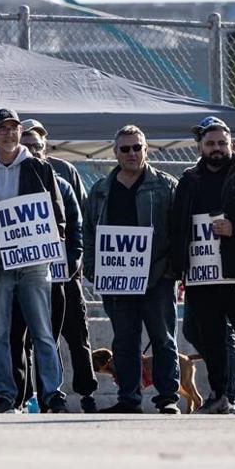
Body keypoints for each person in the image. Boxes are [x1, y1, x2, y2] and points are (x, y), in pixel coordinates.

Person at [170, 116, 235, 415]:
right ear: (200, 146)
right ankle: (219, 394)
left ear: (233, 145)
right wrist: (180, 271)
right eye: (211, 143)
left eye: (222, 143)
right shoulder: (188, 180)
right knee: (211, 338)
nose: (217, 148)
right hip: (200, 273)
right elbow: (178, 227)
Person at [0, 108, 67, 414]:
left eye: (14, 128)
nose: (9, 133)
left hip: (33, 262)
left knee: (42, 331)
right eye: (3, 128)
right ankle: (4, 395)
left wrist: (48, 241)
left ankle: (52, 393)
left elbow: (58, 216)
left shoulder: (39, 168)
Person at [83, 125, 181, 414]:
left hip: (157, 277)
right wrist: (92, 268)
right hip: (116, 279)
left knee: (163, 339)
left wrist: (171, 270)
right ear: (115, 153)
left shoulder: (165, 186)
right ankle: (129, 398)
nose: (131, 153)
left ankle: (168, 398)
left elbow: (178, 231)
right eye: (125, 149)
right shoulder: (101, 189)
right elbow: (89, 232)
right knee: (124, 341)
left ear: (146, 149)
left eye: (137, 147)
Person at [15, 125, 96, 412]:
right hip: (26, 276)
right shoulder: (10, 181)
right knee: (29, 337)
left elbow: (78, 227)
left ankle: (87, 394)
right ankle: (29, 397)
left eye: (36, 145)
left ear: (45, 148)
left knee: (76, 336)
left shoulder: (62, 182)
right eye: (26, 144)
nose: (32, 150)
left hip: (63, 276)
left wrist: (74, 263)